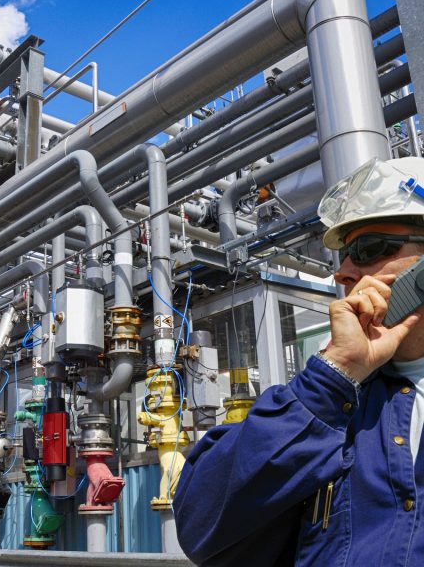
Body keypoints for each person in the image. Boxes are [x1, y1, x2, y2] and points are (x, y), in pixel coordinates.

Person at [173, 156, 424, 566]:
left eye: (368, 247)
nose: (343, 272)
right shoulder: (330, 405)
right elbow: (201, 527)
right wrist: (333, 378)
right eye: (342, 255)